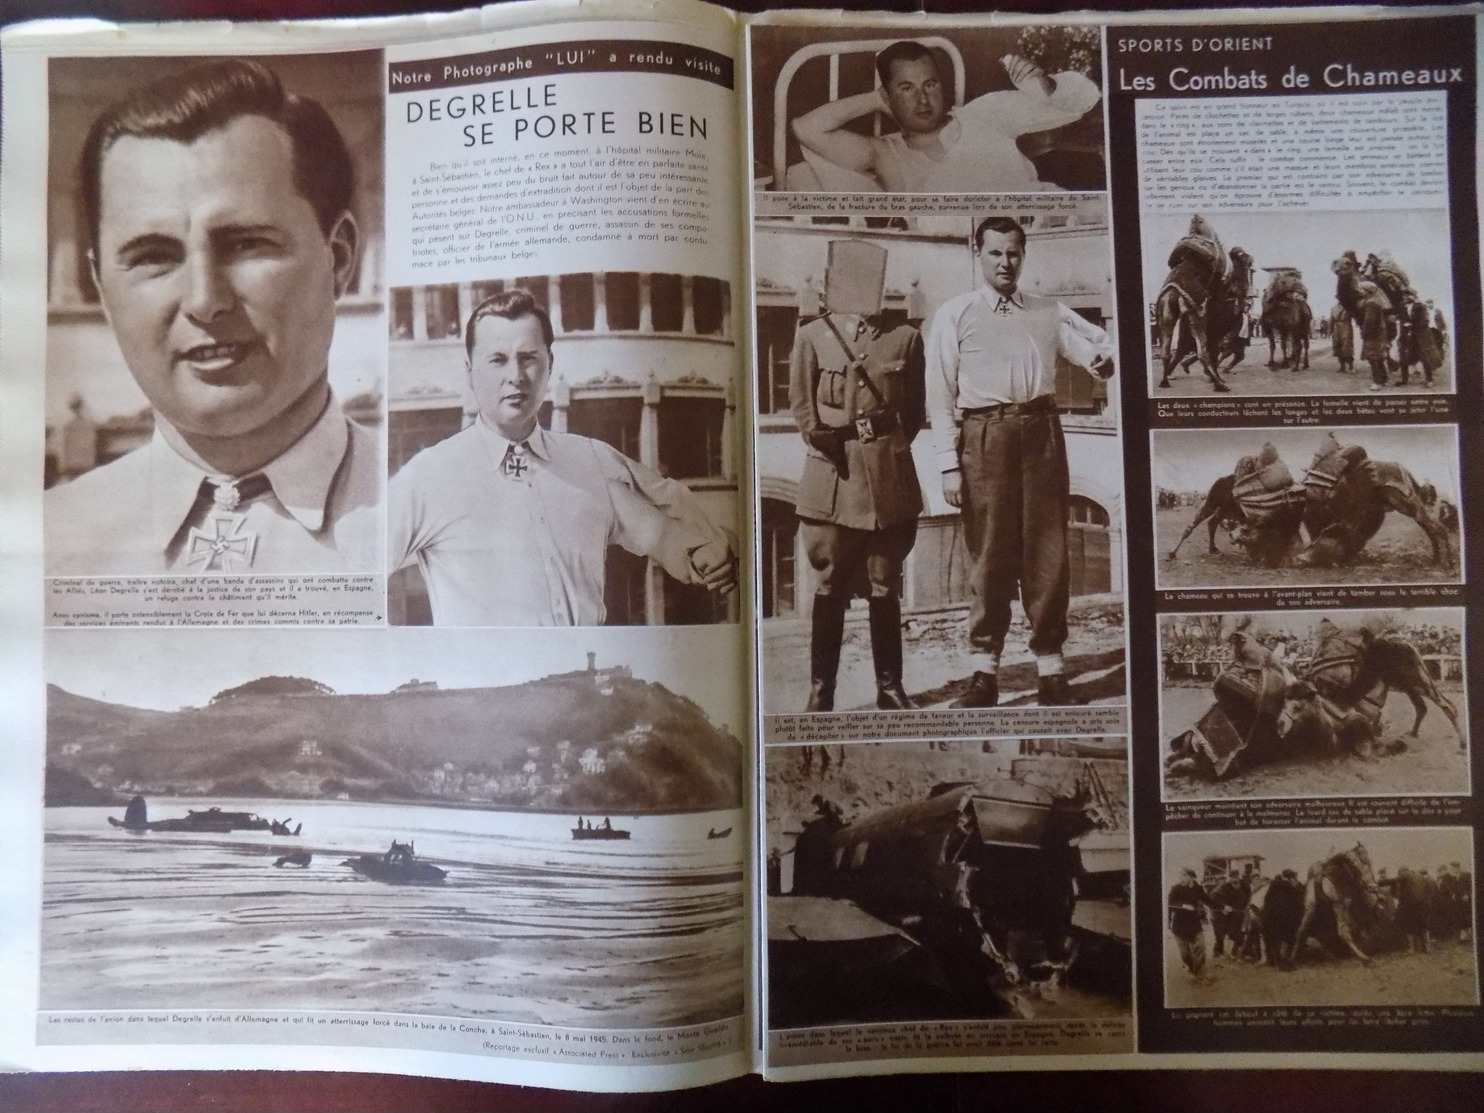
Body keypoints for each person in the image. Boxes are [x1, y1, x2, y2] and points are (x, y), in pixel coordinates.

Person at [46, 59, 380, 576]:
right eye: (154, 256)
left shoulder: (430, 512)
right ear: (103, 291)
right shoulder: (45, 545)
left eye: (246, 245)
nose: (205, 301)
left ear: (337, 258)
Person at [388, 289, 737, 626]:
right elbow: (354, 566)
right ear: (469, 370)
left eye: (529, 359)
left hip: (586, 675)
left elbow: (661, 529)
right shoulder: (430, 477)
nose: (516, 377)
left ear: (549, 364)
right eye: (497, 360)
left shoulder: (590, 461)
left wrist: (701, 556)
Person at [927, 216, 1114, 707]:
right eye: (995, 253)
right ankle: (983, 674)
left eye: (1013, 253)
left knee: (1048, 553)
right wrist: (948, 463)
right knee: (989, 557)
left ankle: (1051, 673)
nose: (1005, 262)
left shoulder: (1047, 310)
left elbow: (1094, 347)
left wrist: (1102, 360)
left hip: (1041, 434)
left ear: (1023, 256)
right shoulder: (955, 313)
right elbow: (939, 396)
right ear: (977, 253)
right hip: (983, 437)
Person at [791, 284, 927, 711]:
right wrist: (836, 444)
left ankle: (890, 688)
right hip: (834, 475)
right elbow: (802, 408)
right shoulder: (813, 334)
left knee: (885, 586)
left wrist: (884, 450)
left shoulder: (905, 337)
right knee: (830, 585)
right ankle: (821, 691)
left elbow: (914, 413)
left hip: (887, 480)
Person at [790, 41, 1100, 193]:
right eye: (907, 89)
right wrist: (875, 99)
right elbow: (806, 129)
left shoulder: (985, 113)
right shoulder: (884, 153)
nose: (923, 100)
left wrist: (1046, 84)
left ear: (943, 85)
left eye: (930, 84)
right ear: (887, 95)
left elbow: (1082, 100)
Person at [1168, 867, 1215, 983]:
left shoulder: (1198, 889)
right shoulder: (1176, 889)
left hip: (1194, 924)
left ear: (1191, 876)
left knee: (1200, 947)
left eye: (1184, 875)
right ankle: (1190, 969)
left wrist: (1223, 907)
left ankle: (1200, 973)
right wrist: (1183, 905)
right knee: (1185, 953)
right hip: (1179, 926)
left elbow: (1208, 901)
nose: (1181, 878)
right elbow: (1170, 904)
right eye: (1180, 876)